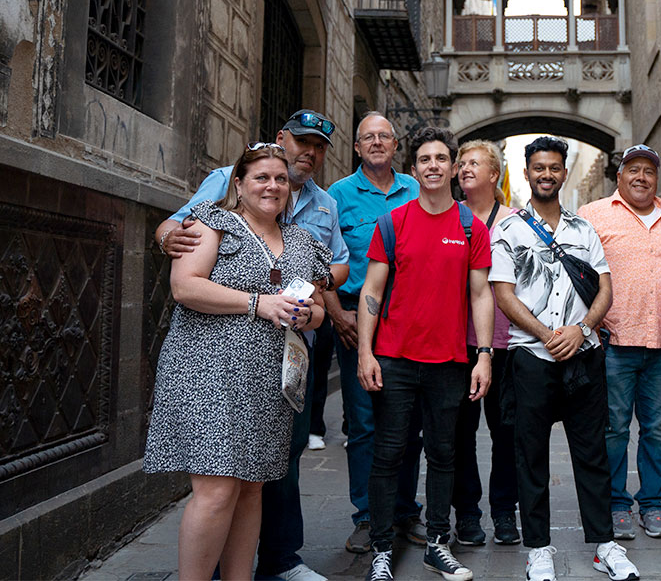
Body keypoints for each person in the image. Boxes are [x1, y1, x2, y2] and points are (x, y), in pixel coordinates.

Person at [154, 110, 349, 581]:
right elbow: (185, 287)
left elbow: (320, 307)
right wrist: (257, 303)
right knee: (218, 490)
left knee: (252, 489)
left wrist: (309, 314)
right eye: (262, 177)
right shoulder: (212, 223)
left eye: (281, 179)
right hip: (207, 373)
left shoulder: (302, 240)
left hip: (269, 382)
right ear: (238, 183)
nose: (273, 186)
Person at [491, 136, 639, 581]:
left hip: (583, 356)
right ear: (527, 172)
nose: (547, 175)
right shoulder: (509, 229)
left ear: (564, 172)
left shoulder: (583, 229)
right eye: (539, 167)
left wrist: (582, 330)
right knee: (529, 454)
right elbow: (503, 293)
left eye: (554, 167)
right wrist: (547, 335)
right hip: (531, 358)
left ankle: (604, 544)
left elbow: (605, 288)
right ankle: (538, 548)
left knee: (592, 452)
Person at [355, 126, 495, 581]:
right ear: (413, 170)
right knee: (388, 454)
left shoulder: (470, 226)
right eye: (425, 160)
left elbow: (480, 296)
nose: (433, 166)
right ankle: (380, 550)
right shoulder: (393, 222)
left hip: (450, 362)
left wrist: (485, 355)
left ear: (454, 168)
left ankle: (437, 542)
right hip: (394, 358)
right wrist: (364, 352)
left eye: (441, 159)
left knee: (443, 454)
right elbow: (371, 291)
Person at [323, 112, 428, 553]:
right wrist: (335, 314)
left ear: (396, 144)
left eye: (385, 136)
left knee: (409, 423)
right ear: (357, 146)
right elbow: (322, 262)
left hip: (410, 323)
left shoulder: (418, 189)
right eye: (370, 137)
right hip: (356, 323)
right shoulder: (339, 195)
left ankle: (404, 512)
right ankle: (367, 516)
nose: (378, 142)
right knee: (364, 424)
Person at [577, 143, 661, 540]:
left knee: (658, 429)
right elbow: (575, 273)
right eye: (633, 170)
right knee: (614, 429)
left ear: (656, 178)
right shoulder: (592, 216)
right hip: (613, 343)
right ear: (619, 175)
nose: (641, 177)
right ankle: (617, 504)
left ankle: (653, 505)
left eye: (649, 171)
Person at [449, 140, 521, 547]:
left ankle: (505, 512)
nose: (464, 168)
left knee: (506, 434)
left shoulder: (513, 221)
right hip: (456, 345)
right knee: (460, 435)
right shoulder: (450, 218)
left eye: (474, 163)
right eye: (462, 163)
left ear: (494, 175)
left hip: (505, 345)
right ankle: (469, 515)